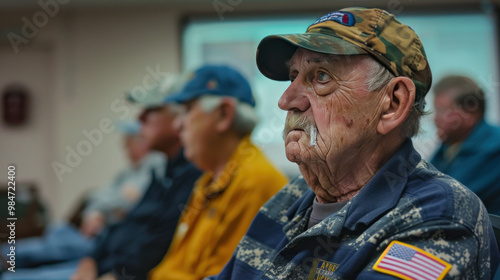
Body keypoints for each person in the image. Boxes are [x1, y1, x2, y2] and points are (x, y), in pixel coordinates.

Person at [209, 7, 500, 280]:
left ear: (392, 105)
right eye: (293, 76)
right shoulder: (294, 196)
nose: (286, 101)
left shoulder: (439, 216)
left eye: (321, 77)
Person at [0, 76, 201, 280]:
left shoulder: (191, 175)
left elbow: (157, 244)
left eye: (151, 111)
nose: (140, 119)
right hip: (104, 261)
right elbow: (127, 223)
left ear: (179, 118)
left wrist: (115, 274)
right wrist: (91, 260)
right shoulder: (164, 172)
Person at [149, 65, 288, 280]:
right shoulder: (208, 180)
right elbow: (176, 264)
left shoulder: (254, 181)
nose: (177, 126)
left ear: (224, 114)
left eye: (187, 110)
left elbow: (226, 276)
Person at [0, 121, 166, 270]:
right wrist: (96, 212)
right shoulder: (127, 173)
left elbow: (128, 200)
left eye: (128, 142)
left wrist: (104, 207)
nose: (125, 147)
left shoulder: (154, 167)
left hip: (105, 239)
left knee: (24, 262)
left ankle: (6, 257)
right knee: (58, 230)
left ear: (142, 143)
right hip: (95, 233)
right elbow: (97, 196)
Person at [430, 75, 500, 215]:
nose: (436, 119)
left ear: (470, 112)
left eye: (443, 111)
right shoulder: (451, 145)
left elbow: (445, 199)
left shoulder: (494, 148)